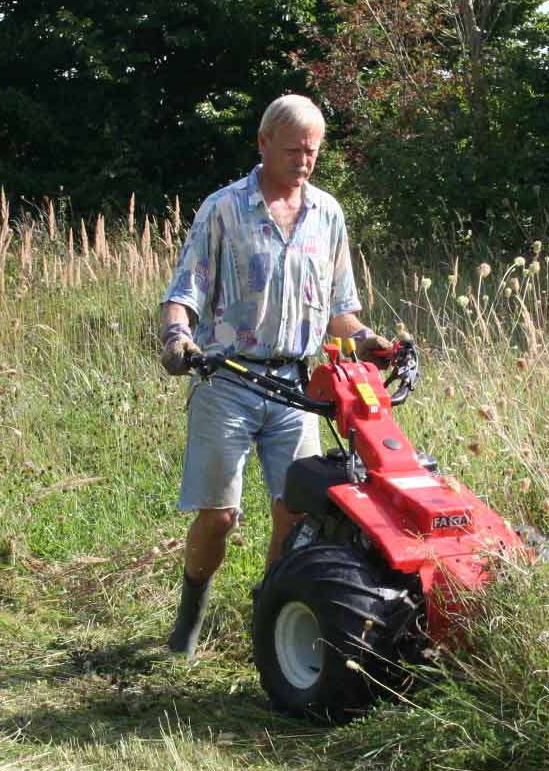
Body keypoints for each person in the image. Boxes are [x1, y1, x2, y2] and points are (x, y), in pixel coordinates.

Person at [157, 94, 391, 659]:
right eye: (293, 150)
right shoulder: (223, 209)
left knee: (295, 511)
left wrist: (370, 341)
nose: (304, 161)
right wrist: (175, 338)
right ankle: (189, 617)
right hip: (228, 379)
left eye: (312, 151)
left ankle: (270, 623)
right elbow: (183, 292)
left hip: (295, 387)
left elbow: (341, 312)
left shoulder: (327, 214)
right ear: (263, 144)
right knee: (220, 516)